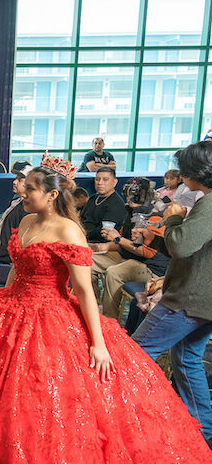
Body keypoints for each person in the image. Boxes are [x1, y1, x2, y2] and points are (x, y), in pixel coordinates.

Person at [0, 163, 211, 462]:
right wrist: (0, 300)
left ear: (50, 195)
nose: (23, 192)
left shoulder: (69, 230)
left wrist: (97, 342)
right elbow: (18, 265)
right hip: (10, 305)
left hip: (52, 313)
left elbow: (83, 290)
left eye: (30, 188)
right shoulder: (28, 219)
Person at [132, 140, 212, 446]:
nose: (179, 176)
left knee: (136, 354)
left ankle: (137, 419)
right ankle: (202, 433)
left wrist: (176, 216)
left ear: (196, 173)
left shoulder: (209, 203)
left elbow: (181, 245)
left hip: (190, 298)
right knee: (188, 359)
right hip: (203, 298)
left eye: (184, 170)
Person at [81, 167, 125, 243]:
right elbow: (81, 218)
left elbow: (102, 232)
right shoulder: (93, 198)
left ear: (114, 182)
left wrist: (80, 233)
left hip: (100, 244)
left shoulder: (116, 204)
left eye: (105, 179)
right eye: (97, 179)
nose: (100, 183)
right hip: (83, 238)